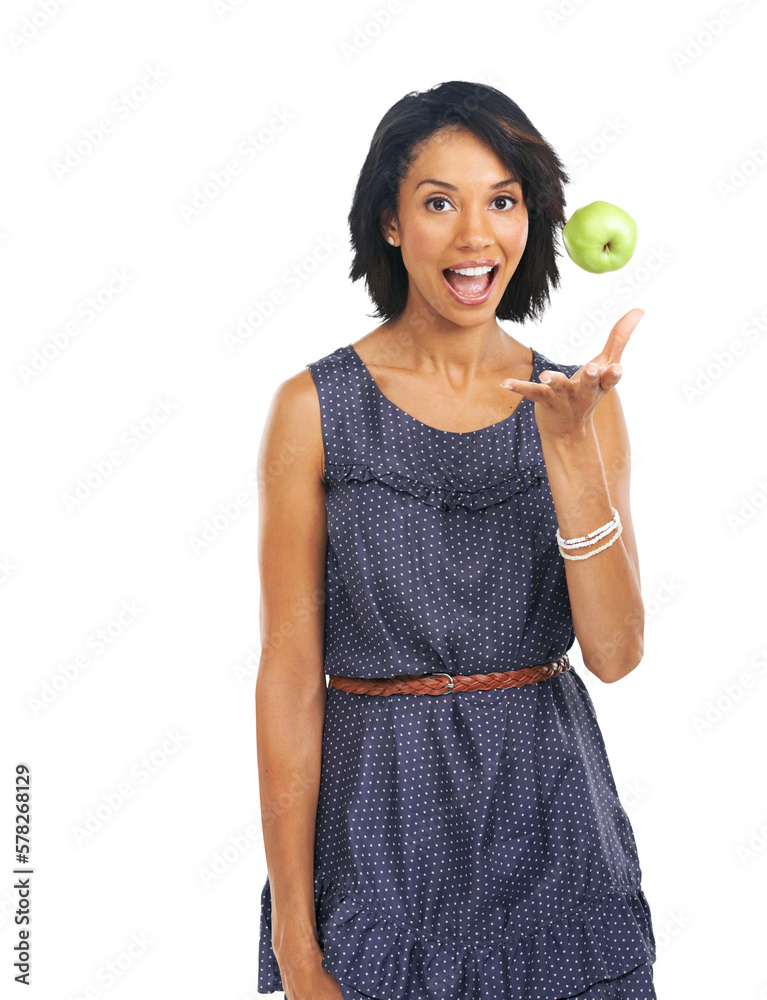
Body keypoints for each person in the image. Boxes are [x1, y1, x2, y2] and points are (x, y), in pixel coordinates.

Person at [255, 80, 657, 1000]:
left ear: (534, 219)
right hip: (376, 842)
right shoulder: (312, 409)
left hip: (555, 832)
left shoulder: (579, 403)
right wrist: (295, 943)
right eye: (440, 202)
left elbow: (617, 653)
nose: (476, 236)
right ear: (392, 223)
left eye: (502, 201)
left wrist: (569, 450)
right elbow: (286, 680)